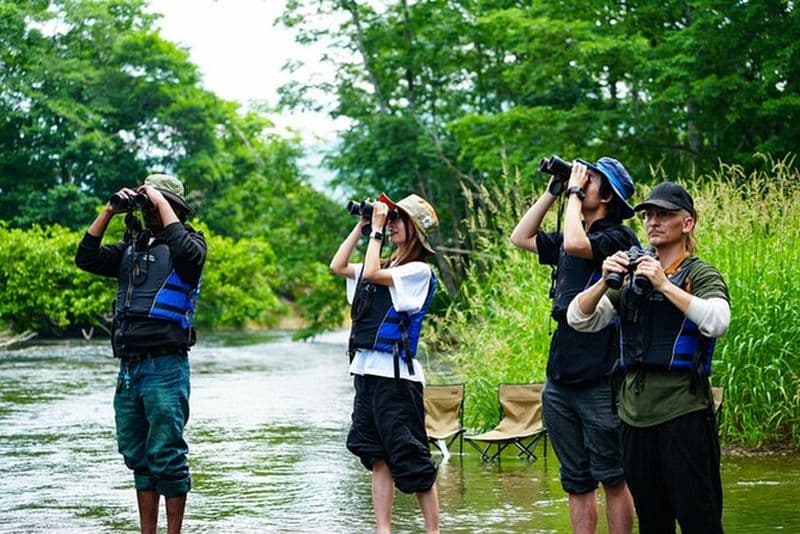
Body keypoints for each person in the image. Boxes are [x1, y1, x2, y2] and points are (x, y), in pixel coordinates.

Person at [568, 182, 730, 533]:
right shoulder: (632, 277)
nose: (653, 222)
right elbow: (579, 319)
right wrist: (604, 282)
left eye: (664, 215)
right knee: (653, 523)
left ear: (687, 224)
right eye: (649, 215)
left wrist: (664, 284)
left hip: (683, 413)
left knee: (699, 519)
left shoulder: (699, 274)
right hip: (634, 418)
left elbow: (718, 321)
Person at [510, 157, 638, 534]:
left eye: (592, 179)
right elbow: (521, 237)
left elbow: (580, 244)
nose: (582, 182)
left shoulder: (619, 237)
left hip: (600, 370)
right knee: (575, 479)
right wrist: (554, 191)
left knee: (612, 475)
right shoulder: (570, 232)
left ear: (608, 196)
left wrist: (574, 194)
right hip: (561, 371)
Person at [75, 174, 206, 534]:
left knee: (167, 454)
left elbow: (188, 255)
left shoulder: (190, 245)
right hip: (129, 368)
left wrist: (160, 201)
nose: (149, 211)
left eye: (157, 205)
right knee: (138, 455)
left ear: (174, 208)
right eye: (147, 204)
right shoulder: (129, 249)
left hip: (166, 365)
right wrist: (110, 210)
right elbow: (85, 258)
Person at [330, 192, 440, 534]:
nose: (391, 226)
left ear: (414, 231)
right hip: (367, 372)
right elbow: (338, 266)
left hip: (397, 378)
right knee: (377, 455)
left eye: (397, 220)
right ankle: (383, 529)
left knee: (411, 456)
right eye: (390, 219)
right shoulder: (388, 264)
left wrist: (376, 231)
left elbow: (373, 272)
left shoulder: (418, 271)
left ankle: (433, 530)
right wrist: (363, 226)